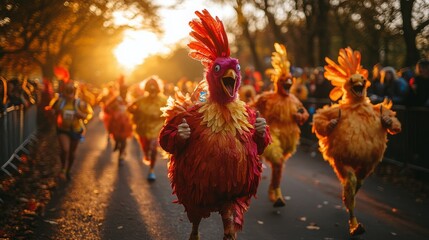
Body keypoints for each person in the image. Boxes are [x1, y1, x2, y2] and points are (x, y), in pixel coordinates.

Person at [48, 81, 93, 180]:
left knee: (72, 153)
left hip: (76, 130)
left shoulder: (79, 103)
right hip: (63, 129)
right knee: (65, 149)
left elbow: (90, 114)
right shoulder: (59, 102)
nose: (68, 94)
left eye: (71, 91)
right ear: (64, 91)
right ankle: (63, 169)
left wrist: (82, 115)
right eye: (67, 91)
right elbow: (50, 109)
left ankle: (68, 170)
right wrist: (54, 112)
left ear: (75, 92)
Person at [128, 76, 167, 181]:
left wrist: (160, 115)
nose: (152, 93)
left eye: (154, 89)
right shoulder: (141, 100)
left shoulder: (164, 100)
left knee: (153, 149)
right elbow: (130, 108)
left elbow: (170, 111)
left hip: (157, 128)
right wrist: (137, 112)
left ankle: (151, 171)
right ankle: (146, 154)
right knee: (145, 149)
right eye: (150, 90)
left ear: (158, 89)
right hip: (143, 129)